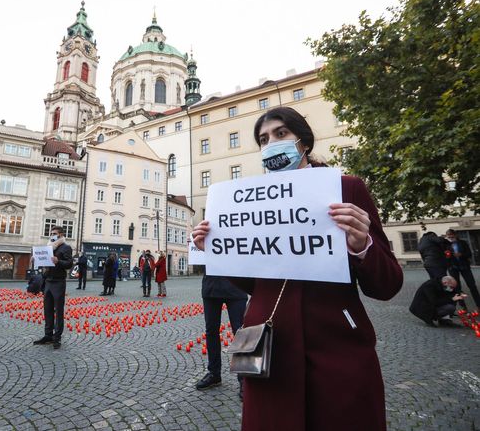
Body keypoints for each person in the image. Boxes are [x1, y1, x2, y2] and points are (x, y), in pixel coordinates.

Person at [192, 107, 403, 431]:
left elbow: (387, 285)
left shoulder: (347, 189)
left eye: (280, 134)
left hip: (337, 349)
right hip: (269, 350)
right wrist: (221, 251)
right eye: (263, 139)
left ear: (303, 141)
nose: (271, 144)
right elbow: (255, 284)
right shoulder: (252, 202)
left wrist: (362, 246)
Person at [195, 270, 247, 397]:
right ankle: (214, 373)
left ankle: (244, 378)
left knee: (240, 332)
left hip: (236, 284)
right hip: (212, 285)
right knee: (211, 331)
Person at [33, 226, 73, 350]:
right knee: (48, 310)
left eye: (54, 233)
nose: (52, 235)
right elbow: (44, 263)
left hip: (59, 282)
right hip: (48, 281)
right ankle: (48, 335)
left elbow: (69, 264)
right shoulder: (48, 246)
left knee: (58, 311)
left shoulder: (66, 247)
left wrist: (58, 261)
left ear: (61, 234)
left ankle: (57, 337)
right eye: (51, 233)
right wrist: (36, 260)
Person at [445, 229, 479, 309]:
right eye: (448, 235)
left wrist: (461, 255)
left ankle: (478, 304)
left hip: (464, 266)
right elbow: (445, 257)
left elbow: (469, 254)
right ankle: (463, 306)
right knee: (457, 287)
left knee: (472, 285)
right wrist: (447, 256)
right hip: (453, 267)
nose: (450, 237)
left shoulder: (463, 243)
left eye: (451, 235)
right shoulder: (446, 245)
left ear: (455, 235)